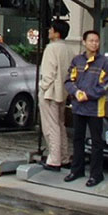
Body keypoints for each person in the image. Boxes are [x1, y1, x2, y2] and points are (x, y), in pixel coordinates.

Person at [64, 30, 108, 187]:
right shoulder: (77, 60)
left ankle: (96, 174)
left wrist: (88, 95)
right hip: (78, 107)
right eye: (91, 40)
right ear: (84, 42)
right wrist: (76, 92)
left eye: (96, 41)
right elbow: (68, 80)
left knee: (96, 142)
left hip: (95, 108)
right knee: (78, 139)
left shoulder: (103, 62)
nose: (94, 43)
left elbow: (105, 84)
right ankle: (76, 170)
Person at [37, 19, 72, 171]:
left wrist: (42, 86)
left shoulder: (51, 48)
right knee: (60, 125)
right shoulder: (69, 49)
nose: (49, 31)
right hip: (63, 92)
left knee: (51, 127)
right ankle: (63, 157)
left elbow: (48, 73)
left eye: (51, 29)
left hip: (50, 92)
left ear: (56, 32)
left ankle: (54, 159)